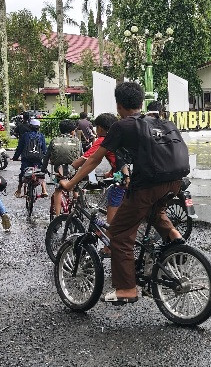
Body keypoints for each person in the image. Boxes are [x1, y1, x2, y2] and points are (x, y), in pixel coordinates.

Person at [59, 82, 184, 304]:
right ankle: (175, 236)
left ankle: (127, 289)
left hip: (148, 185)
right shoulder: (160, 122)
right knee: (154, 212)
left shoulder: (122, 126)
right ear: (141, 102)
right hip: (174, 182)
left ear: (118, 105)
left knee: (119, 234)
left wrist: (70, 184)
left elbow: (93, 160)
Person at [69, 112, 128, 257]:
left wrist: (70, 170)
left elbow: (86, 159)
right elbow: (120, 159)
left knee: (111, 213)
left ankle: (108, 247)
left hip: (123, 181)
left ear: (100, 128)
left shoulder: (103, 139)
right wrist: (111, 173)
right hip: (131, 176)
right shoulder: (122, 136)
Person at [43, 119, 83, 217]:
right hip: (73, 170)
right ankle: (78, 209)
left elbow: (47, 157)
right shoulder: (77, 141)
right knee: (75, 188)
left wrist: (43, 169)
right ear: (72, 131)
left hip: (59, 171)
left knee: (58, 190)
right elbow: (81, 156)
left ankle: (57, 216)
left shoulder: (54, 140)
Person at [12, 118, 48, 199]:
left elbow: (19, 148)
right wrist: (45, 158)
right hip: (38, 159)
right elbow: (44, 150)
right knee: (40, 173)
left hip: (26, 159)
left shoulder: (25, 136)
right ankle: (44, 190)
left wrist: (15, 157)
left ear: (30, 127)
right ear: (38, 127)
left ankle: (19, 190)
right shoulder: (41, 136)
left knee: (22, 173)